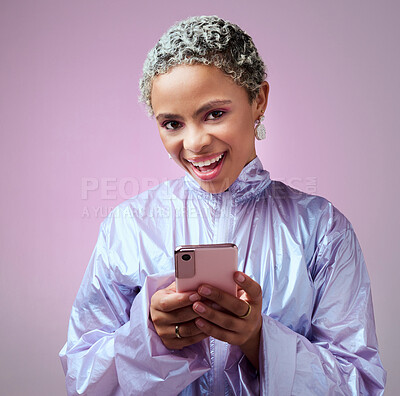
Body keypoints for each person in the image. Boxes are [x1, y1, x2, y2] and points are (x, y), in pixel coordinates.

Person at [59, 15, 386, 395]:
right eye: (172, 123)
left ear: (258, 100)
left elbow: (360, 384)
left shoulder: (321, 229)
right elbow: (83, 380)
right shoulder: (129, 226)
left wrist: (259, 341)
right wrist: (150, 337)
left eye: (214, 114)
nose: (195, 142)